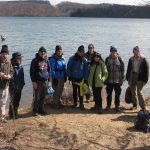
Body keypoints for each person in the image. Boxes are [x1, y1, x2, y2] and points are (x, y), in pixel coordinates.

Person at [126, 46, 149, 110]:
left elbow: (147, 70)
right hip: (132, 76)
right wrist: (127, 78)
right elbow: (128, 69)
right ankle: (134, 105)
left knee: (139, 92)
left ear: (139, 52)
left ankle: (143, 107)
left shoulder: (144, 59)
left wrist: (145, 80)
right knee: (133, 91)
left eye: (137, 52)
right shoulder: (131, 59)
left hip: (140, 77)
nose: (136, 53)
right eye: (134, 52)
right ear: (133, 52)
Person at [30, 47, 50, 116]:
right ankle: (35, 111)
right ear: (39, 52)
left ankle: (41, 109)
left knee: (43, 96)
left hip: (45, 81)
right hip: (37, 82)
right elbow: (31, 72)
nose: (43, 53)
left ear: (45, 53)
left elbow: (49, 70)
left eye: (44, 51)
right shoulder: (35, 61)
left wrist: (49, 80)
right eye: (41, 51)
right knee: (36, 97)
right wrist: (33, 82)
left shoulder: (47, 60)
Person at [67, 45, 88, 110]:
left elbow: (86, 70)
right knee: (75, 91)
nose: (81, 53)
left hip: (81, 79)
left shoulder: (85, 59)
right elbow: (68, 67)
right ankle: (75, 103)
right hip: (74, 78)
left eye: (82, 52)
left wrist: (85, 79)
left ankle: (81, 104)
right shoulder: (72, 58)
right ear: (77, 51)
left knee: (81, 92)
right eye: (80, 51)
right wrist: (69, 76)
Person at [105, 46, 125, 112]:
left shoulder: (119, 59)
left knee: (117, 94)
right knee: (109, 95)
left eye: (114, 52)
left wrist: (122, 80)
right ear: (110, 52)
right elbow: (104, 70)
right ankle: (108, 106)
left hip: (117, 81)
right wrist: (105, 80)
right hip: (109, 81)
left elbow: (122, 70)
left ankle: (117, 106)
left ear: (116, 52)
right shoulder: (107, 59)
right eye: (112, 52)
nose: (113, 53)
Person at [9, 52, 25, 119]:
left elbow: (22, 78)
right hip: (13, 88)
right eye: (18, 58)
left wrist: (22, 84)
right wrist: (13, 87)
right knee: (13, 101)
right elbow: (11, 79)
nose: (20, 59)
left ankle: (15, 113)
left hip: (19, 87)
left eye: (20, 58)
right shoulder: (11, 67)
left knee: (17, 101)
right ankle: (12, 114)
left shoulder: (21, 67)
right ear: (15, 59)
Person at [0, 45, 13, 122]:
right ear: (0, 54)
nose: (4, 55)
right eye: (3, 53)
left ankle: (2, 117)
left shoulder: (9, 62)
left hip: (5, 86)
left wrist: (10, 76)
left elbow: (12, 71)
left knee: (3, 102)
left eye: (6, 54)